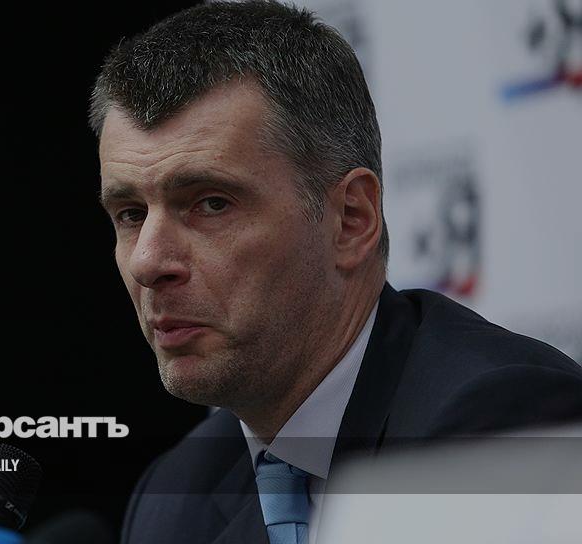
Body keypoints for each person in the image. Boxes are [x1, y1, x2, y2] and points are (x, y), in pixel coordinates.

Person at [88, 2, 582, 543]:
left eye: (211, 204)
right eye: (130, 214)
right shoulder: (176, 495)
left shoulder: (498, 422)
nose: (148, 262)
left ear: (351, 219)